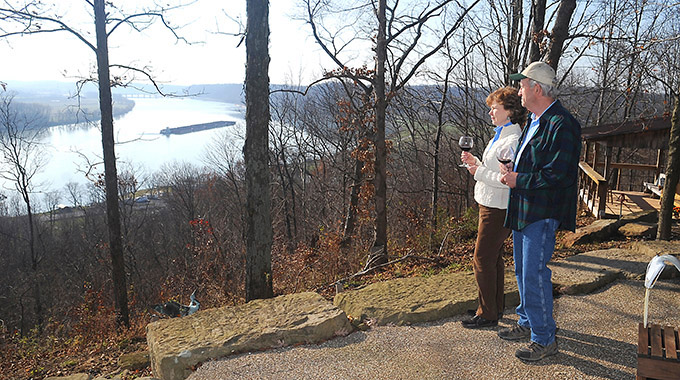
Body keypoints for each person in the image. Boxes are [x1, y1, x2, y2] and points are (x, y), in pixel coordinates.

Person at [498, 61, 581, 361]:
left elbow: (559, 175)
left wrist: (518, 178)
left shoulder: (562, 123)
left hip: (541, 211)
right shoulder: (534, 120)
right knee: (522, 271)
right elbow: (535, 163)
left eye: (521, 85)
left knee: (534, 273)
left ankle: (544, 338)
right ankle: (527, 321)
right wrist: (513, 167)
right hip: (523, 206)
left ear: (536, 88)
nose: (518, 91)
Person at [459, 87, 526, 329]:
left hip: (497, 206)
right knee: (494, 258)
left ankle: (487, 314)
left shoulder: (511, 140)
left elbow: (505, 179)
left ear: (510, 111)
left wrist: (479, 172)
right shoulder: (500, 135)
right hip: (489, 203)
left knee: (482, 259)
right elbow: (493, 169)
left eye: (494, 108)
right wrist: (475, 162)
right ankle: (492, 307)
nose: (490, 112)